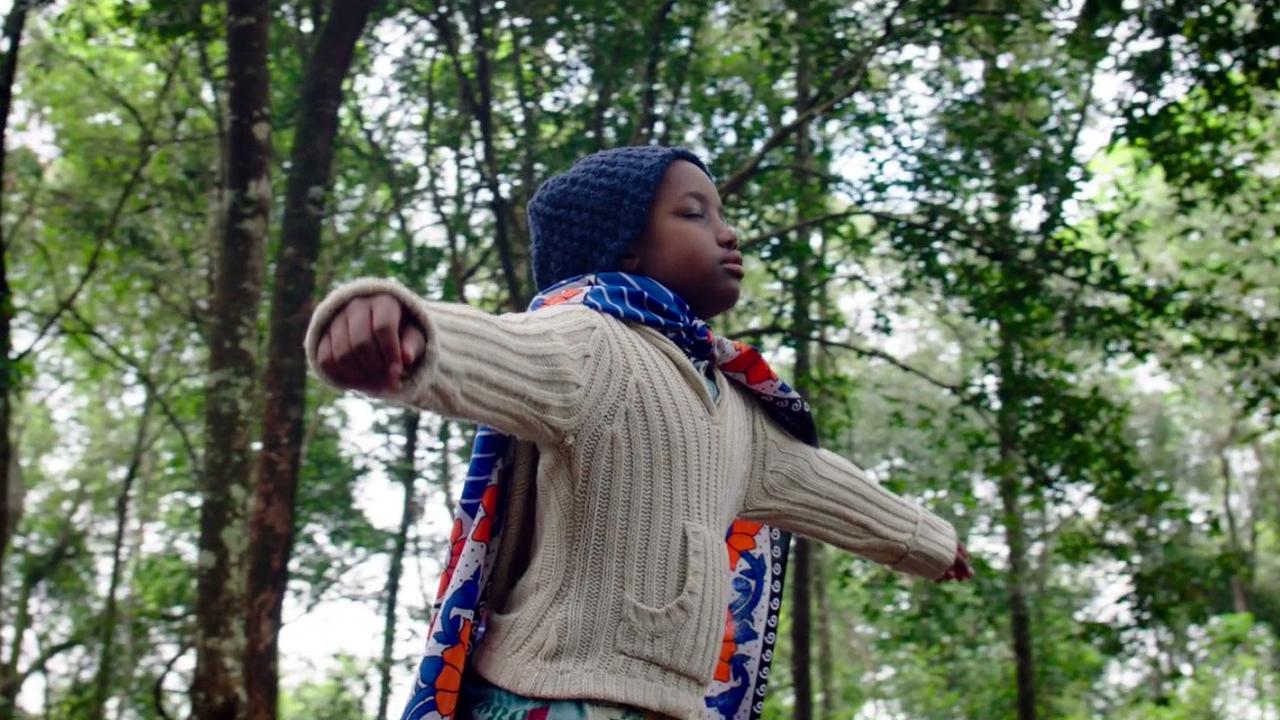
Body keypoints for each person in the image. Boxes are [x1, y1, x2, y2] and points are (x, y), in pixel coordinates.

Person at [304, 146, 973, 720]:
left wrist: (926, 540)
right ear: (625, 244)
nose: (728, 232)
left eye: (721, 213)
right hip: (551, 694)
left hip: (670, 704)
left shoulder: (738, 407)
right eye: (694, 214)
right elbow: (508, 353)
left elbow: (823, 484)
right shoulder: (593, 340)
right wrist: (408, 331)